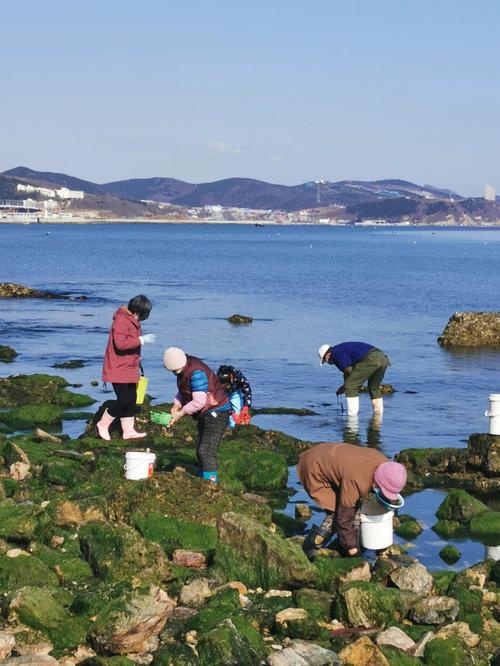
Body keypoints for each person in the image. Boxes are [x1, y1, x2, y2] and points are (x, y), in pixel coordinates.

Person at [297, 442, 407, 560]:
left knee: (354, 506)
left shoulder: (385, 465)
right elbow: (343, 519)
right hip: (314, 467)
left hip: (331, 455)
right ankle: (309, 550)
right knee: (336, 513)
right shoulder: (357, 480)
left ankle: (343, 545)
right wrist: (354, 552)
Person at [163, 347, 230, 484]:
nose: (174, 373)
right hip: (206, 413)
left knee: (206, 451)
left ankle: (212, 485)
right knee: (200, 449)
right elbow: (185, 390)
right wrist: (177, 404)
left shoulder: (196, 373)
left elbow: (199, 402)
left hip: (217, 411)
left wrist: (180, 414)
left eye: (174, 370)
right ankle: (203, 480)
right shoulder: (184, 368)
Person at [96, 295, 155, 441]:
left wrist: (137, 356)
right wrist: (141, 340)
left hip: (129, 366)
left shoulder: (134, 321)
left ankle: (128, 431)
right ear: (138, 310)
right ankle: (102, 424)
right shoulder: (121, 321)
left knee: (132, 399)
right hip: (118, 367)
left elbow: (131, 343)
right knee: (123, 400)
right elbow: (121, 344)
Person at [318, 342, 390, 417]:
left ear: (327, 354)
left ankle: (352, 419)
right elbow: (351, 374)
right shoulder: (340, 349)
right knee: (373, 387)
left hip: (370, 359)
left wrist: (346, 386)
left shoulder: (336, 354)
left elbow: (349, 371)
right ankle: (378, 416)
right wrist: (344, 387)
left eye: (325, 360)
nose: (327, 362)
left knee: (351, 387)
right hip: (382, 358)